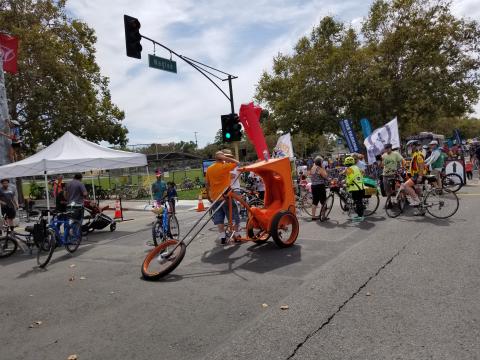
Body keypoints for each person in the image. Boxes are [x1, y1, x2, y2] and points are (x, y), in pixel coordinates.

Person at [205, 149, 240, 245]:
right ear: (222, 158)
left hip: (215, 197)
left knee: (219, 217)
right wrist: (226, 157)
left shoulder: (209, 168)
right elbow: (238, 163)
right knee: (234, 215)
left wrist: (208, 195)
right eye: (224, 156)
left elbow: (207, 184)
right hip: (226, 196)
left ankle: (222, 237)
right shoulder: (224, 167)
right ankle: (236, 234)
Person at [401, 140, 424, 206]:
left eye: (410, 146)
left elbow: (421, 166)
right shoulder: (415, 154)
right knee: (417, 191)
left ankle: (416, 201)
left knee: (405, 185)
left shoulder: (418, 155)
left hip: (417, 175)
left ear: (414, 146)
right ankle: (421, 206)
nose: (410, 148)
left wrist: (420, 176)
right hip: (415, 174)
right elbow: (415, 165)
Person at [344, 156, 365, 221]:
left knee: (358, 202)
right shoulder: (356, 167)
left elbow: (349, 179)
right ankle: (359, 215)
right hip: (361, 186)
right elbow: (362, 173)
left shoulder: (349, 169)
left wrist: (346, 183)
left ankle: (360, 217)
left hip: (355, 188)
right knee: (359, 202)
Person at [309, 156, 329, 221]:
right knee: (323, 201)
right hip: (320, 186)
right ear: (320, 162)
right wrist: (324, 169)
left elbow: (310, 175)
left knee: (315, 201)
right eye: (322, 162)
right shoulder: (319, 168)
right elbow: (325, 176)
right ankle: (323, 216)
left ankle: (313, 216)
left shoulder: (313, 168)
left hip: (313, 186)